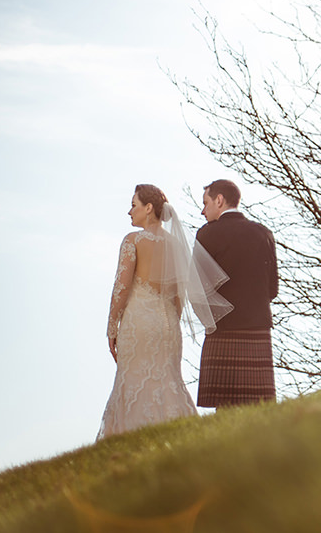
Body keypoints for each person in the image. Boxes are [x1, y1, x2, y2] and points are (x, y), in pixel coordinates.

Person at [99, 184, 233, 439]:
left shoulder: (132, 241)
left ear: (148, 208)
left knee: (135, 380)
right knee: (168, 381)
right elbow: (178, 296)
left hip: (139, 323)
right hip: (169, 325)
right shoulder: (176, 246)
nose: (129, 212)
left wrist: (112, 328)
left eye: (133, 205)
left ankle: (131, 439)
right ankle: (182, 437)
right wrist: (172, 321)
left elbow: (121, 288)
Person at [195, 179, 279, 408]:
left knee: (225, 407)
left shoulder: (206, 235)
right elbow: (273, 289)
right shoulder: (264, 233)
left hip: (222, 327)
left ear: (219, 200)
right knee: (258, 407)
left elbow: (197, 288)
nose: (203, 211)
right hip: (257, 325)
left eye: (205, 203)